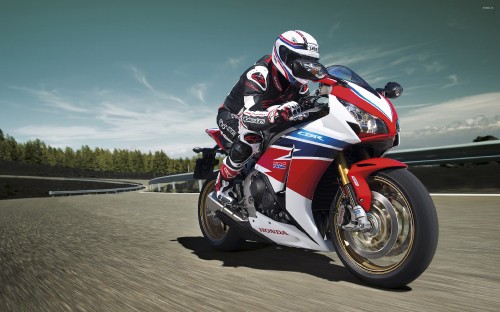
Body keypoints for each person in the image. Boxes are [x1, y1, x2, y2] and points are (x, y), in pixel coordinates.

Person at [216, 30, 323, 204]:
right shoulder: (259, 73)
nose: (304, 67)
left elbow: (306, 108)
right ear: (283, 54)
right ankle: (223, 185)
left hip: (268, 120)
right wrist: (278, 113)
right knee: (249, 141)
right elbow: (248, 117)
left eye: (310, 63)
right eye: (299, 60)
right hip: (233, 116)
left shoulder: (300, 85)